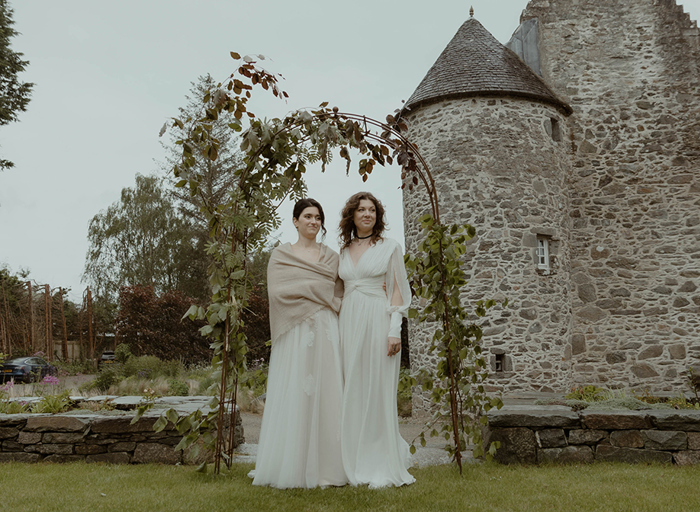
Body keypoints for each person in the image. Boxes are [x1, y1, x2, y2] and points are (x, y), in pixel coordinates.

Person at [250, 198, 347, 488]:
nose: (313, 221)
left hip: (326, 329)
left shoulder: (331, 257)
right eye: (307, 216)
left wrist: (311, 291)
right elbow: (279, 293)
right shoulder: (281, 256)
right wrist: (317, 290)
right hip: (294, 331)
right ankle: (290, 464)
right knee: (296, 393)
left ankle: (329, 467)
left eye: (318, 217)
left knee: (328, 392)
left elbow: (339, 293)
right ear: (295, 220)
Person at [338, 192, 416, 488]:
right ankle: (352, 457)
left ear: (378, 216)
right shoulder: (343, 250)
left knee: (376, 387)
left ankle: (378, 460)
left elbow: (397, 289)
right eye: (361, 210)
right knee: (351, 387)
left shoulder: (390, 247)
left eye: (372, 210)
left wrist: (394, 329)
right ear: (352, 216)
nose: (367, 214)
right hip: (348, 320)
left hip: (378, 319)